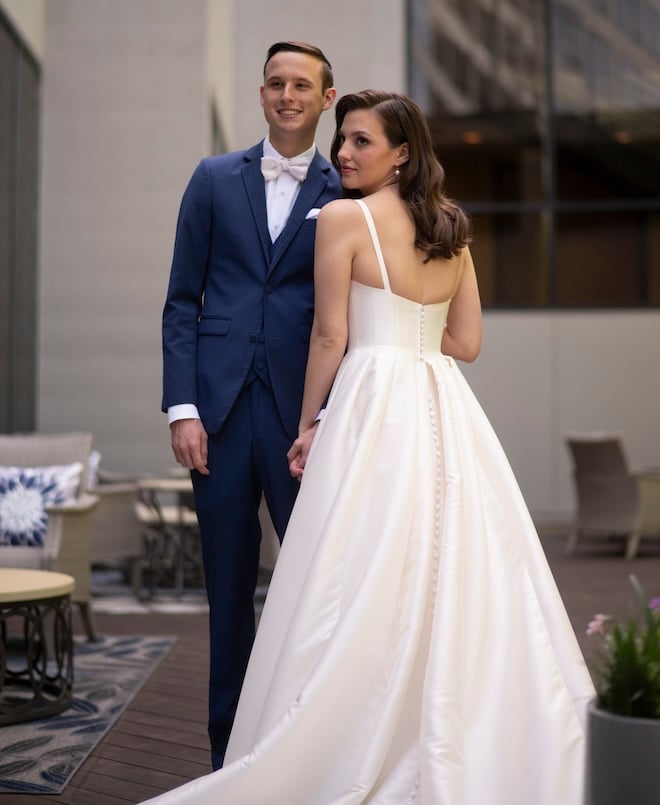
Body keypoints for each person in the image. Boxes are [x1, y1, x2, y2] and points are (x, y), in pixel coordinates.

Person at [146, 90, 595, 804]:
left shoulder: (344, 218)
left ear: (401, 153)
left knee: (355, 567)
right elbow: (467, 344)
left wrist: (308, 421)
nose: (343, 153)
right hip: (441, 398)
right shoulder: (452, 226)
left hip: (368, 399)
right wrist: (413, 337)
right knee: (447, 563)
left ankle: (352, 727)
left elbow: (329, 335)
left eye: (359, 141)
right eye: (345, 140)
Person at [161, 41, 340, 770]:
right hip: (221, 415)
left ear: (328, 98)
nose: (288, 95)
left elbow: (351, 313)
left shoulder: (347, 190)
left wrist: (330, 415)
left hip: (306, 420)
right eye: (276, 83)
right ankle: (226, 762)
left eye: (303, 85)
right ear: (260, 94)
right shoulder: (210, 179)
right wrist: (183, 408)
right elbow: (181, 299)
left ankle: (300, 750)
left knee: (309, 591)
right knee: (228, 596)